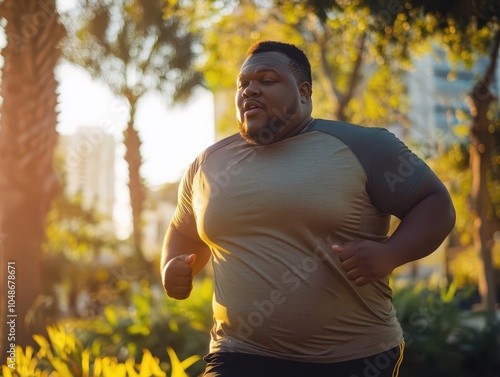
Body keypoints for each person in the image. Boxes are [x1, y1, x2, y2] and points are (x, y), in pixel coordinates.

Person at [161, 40, 456, 377]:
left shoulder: (365, 146)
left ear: (303, 92)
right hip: (237, 355)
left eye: (267, 81)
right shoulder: (208, 165)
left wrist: (392, 252)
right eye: (243, 84)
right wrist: (172, 267)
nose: (250, 90)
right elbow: (182, 231)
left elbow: (435, 203)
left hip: (353, 359)